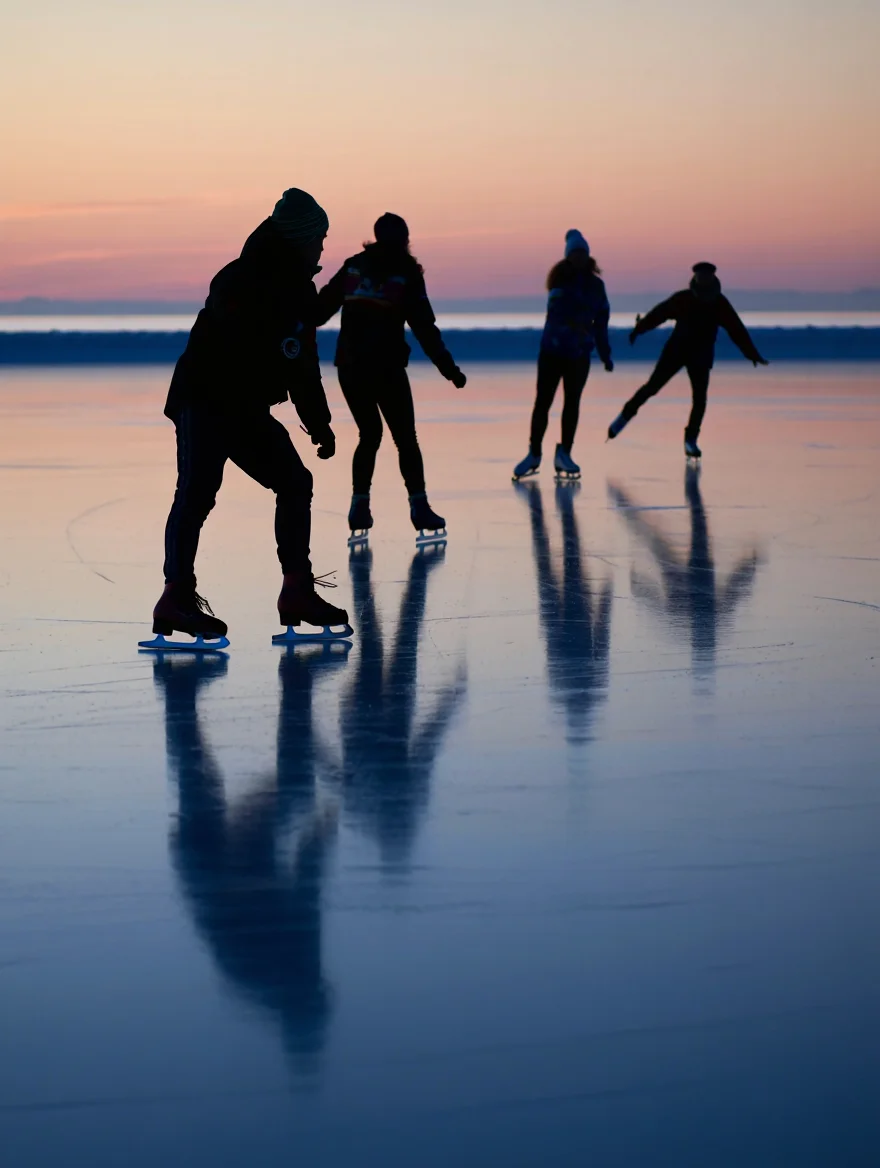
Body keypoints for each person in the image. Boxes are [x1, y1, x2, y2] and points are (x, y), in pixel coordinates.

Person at [151, 188, 350, 643]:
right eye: (319, 237)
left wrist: (318, 424)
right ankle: (175, 597)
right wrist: (283, 322)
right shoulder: (240, 279)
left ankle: (297, 589)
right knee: (197, 493)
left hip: (242, 407)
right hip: (203, 399)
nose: (323, 246)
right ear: (300, 238)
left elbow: (302, 364)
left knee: (296, 482)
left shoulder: (299, 290)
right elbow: (243, 327)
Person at [315, 213, 467, 540]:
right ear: (404, 239)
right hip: (385, 368)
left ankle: (359, 506)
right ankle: (419, 507)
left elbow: (318, 309)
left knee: (369, 434)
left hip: (351, 367)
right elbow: (424, 327)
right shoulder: (406, 274)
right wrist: (448, 368)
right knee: (405, 439)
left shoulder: (354, 266)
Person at [607, 262, 769, 458]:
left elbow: (736, 329)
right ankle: (622, 418)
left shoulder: (719, 303)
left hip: (700, 357)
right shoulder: (683, 298)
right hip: (676, 351)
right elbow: (659, 314)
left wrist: (751, 353)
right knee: (652, 387)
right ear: (695, 276)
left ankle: (691, 440)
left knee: (699, 400)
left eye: (707, 275)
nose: (703, 278)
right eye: (700, 274)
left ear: (712, 277)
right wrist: (639, 329)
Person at [512, 229, 613, 482]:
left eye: (582, 253)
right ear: (568, 256)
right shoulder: (559, 280)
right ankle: (534, 452)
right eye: (575, 253)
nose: (579, 257)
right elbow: (558, 310)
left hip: (579, 355)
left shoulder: (596, 286)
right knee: (543, 403)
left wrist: (605, 354)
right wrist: (578, 324)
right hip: (552, 352)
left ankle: (564, 453)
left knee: (572, 403)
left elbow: (601, 321)